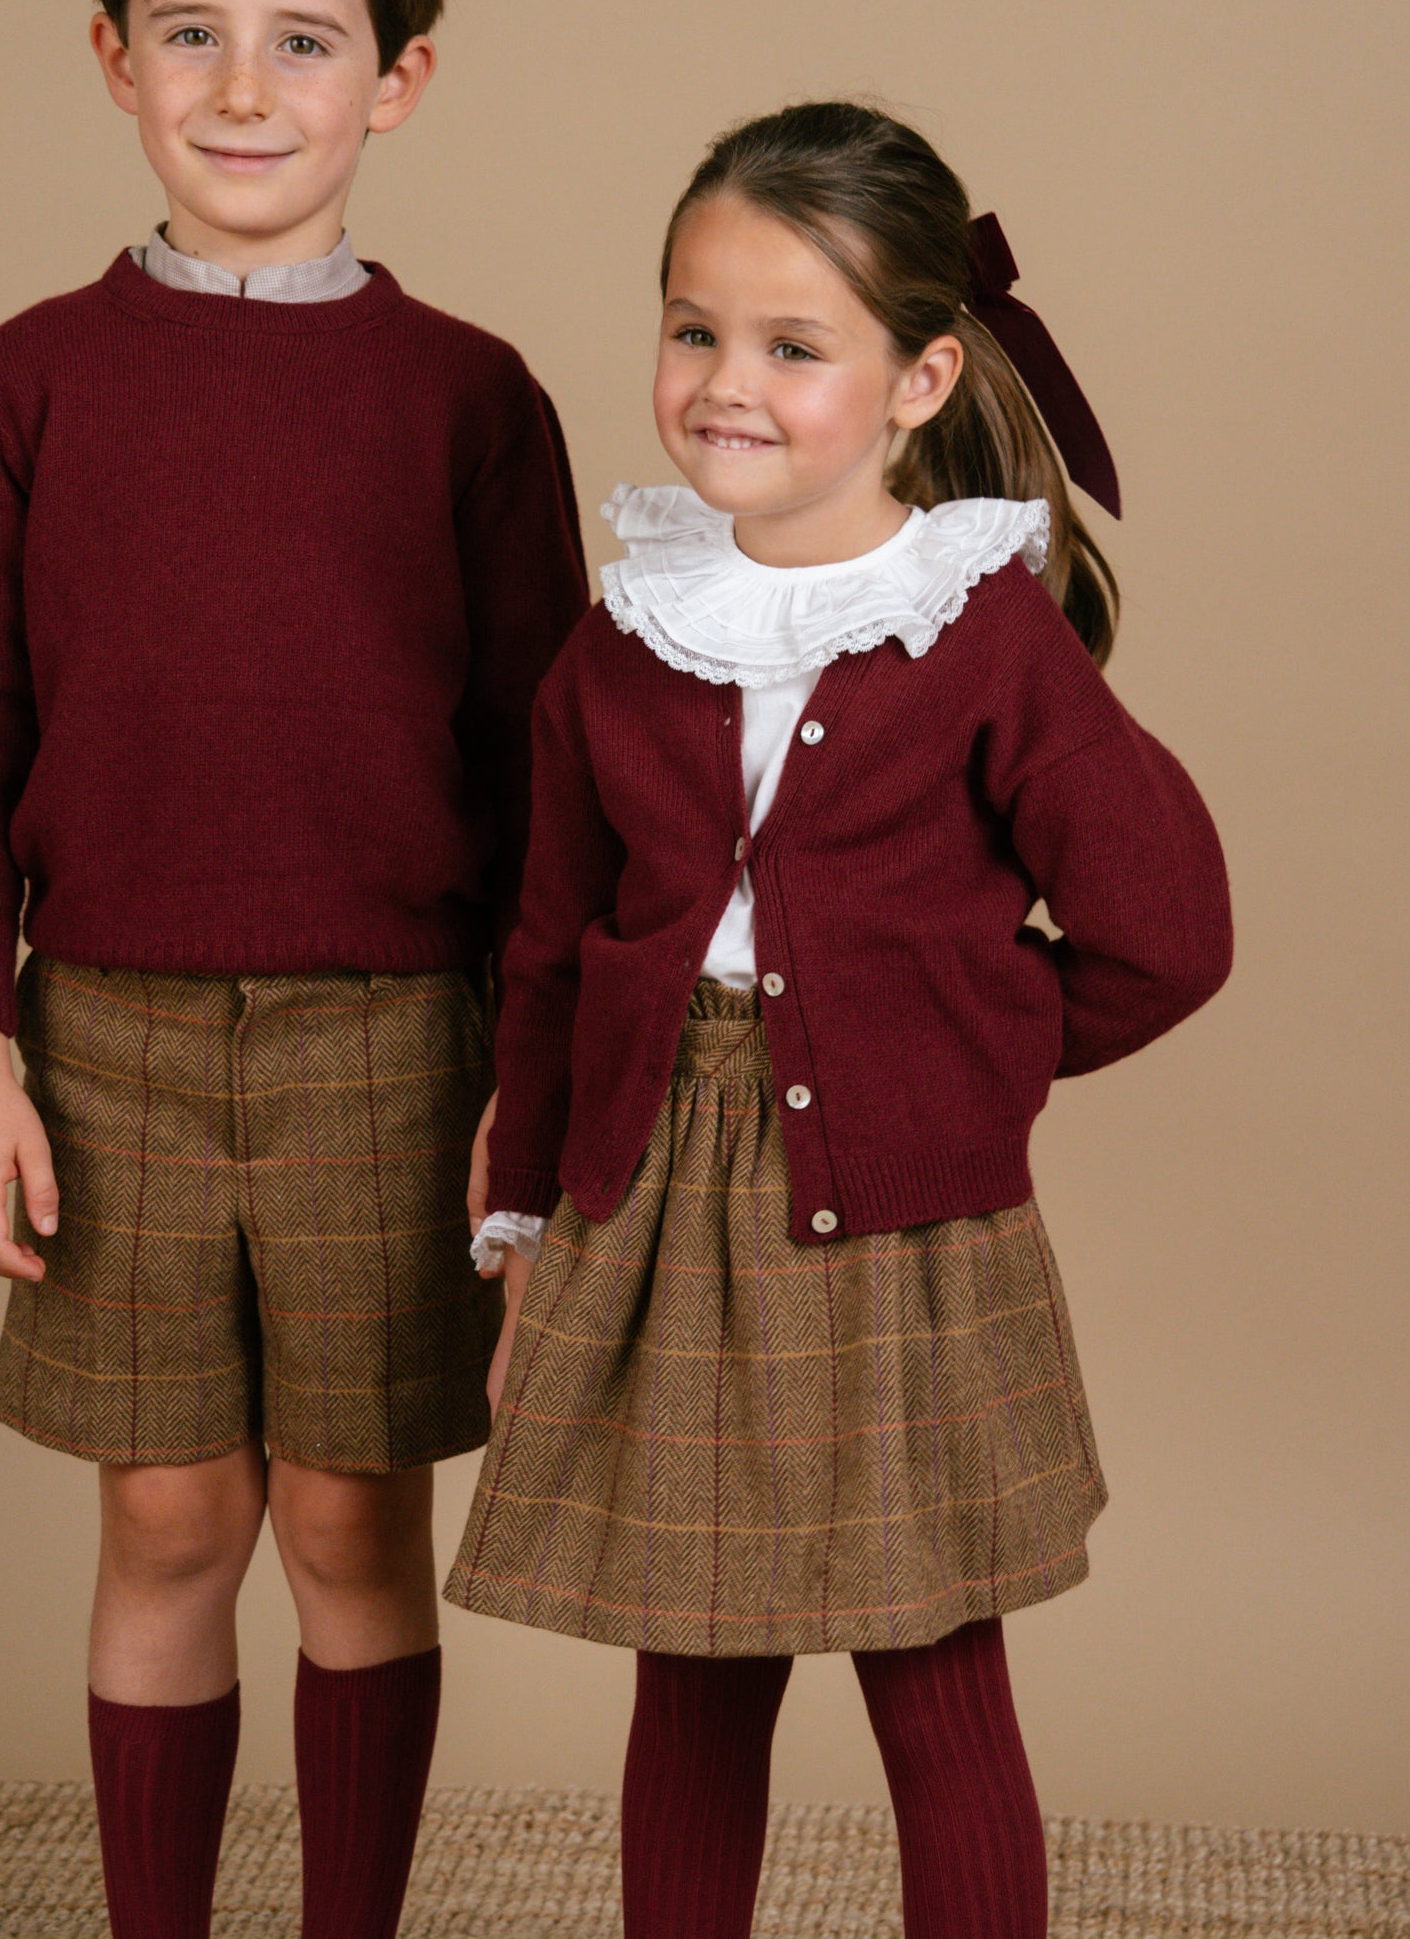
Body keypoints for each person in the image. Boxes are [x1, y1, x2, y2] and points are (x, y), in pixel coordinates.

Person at [0, 0, 587, 1939]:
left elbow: (544, 777)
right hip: (97, 1037)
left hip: (398, 1045)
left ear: (398, 80)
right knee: (171, 1524)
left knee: (351, 1534)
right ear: (109, 55)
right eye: (189, 33)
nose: (238, 90)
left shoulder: (471, 400)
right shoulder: (25, 383)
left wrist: (527, 1076)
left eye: (300, 42)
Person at [447, 101, 1231, 1938]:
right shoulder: (622, 632)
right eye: (692, 328)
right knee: (690, 1685)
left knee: (936, 1684)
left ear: (915, 377)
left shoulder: (977, 628)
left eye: (793, 345)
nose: (726, 381)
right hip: (655, 1216)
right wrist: (529, 1223)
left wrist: (951, 1058)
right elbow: (552, 950)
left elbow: (1162, 929)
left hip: (898, 1228)